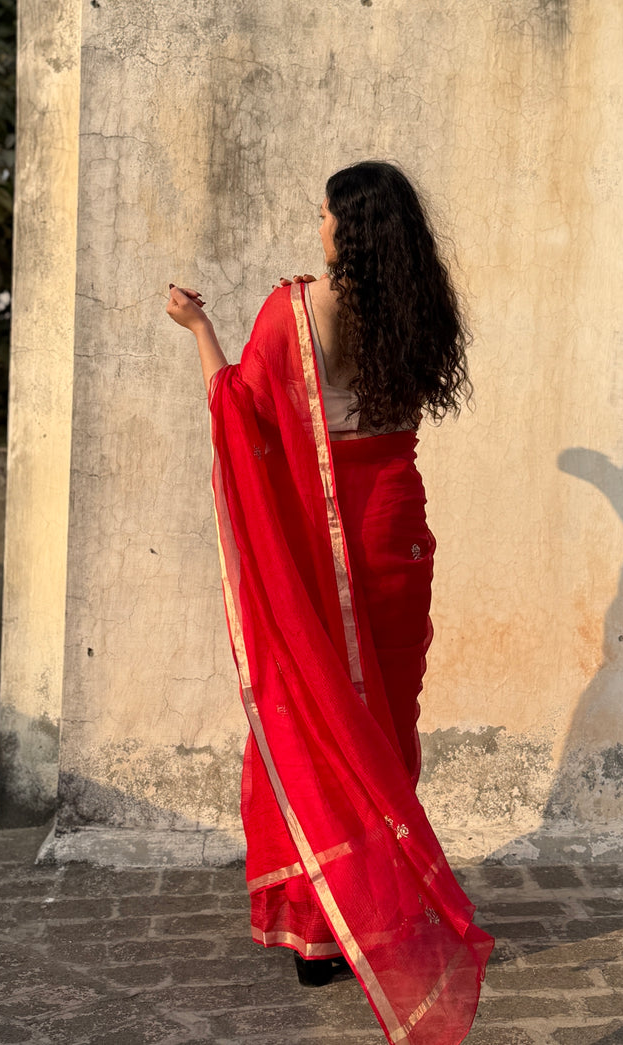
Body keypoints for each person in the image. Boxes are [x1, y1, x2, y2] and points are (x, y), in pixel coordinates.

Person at [165, 160, 493, 1045]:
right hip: (397, 531)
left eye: (323, 216)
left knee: (314, 716)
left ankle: (320, 930)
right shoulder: (420, 309)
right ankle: (379, 911)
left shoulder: (301, 310)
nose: (317, 229)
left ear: (347, 229)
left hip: (330, 539)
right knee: (385, 724)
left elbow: (238, 407)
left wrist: (198, 327)